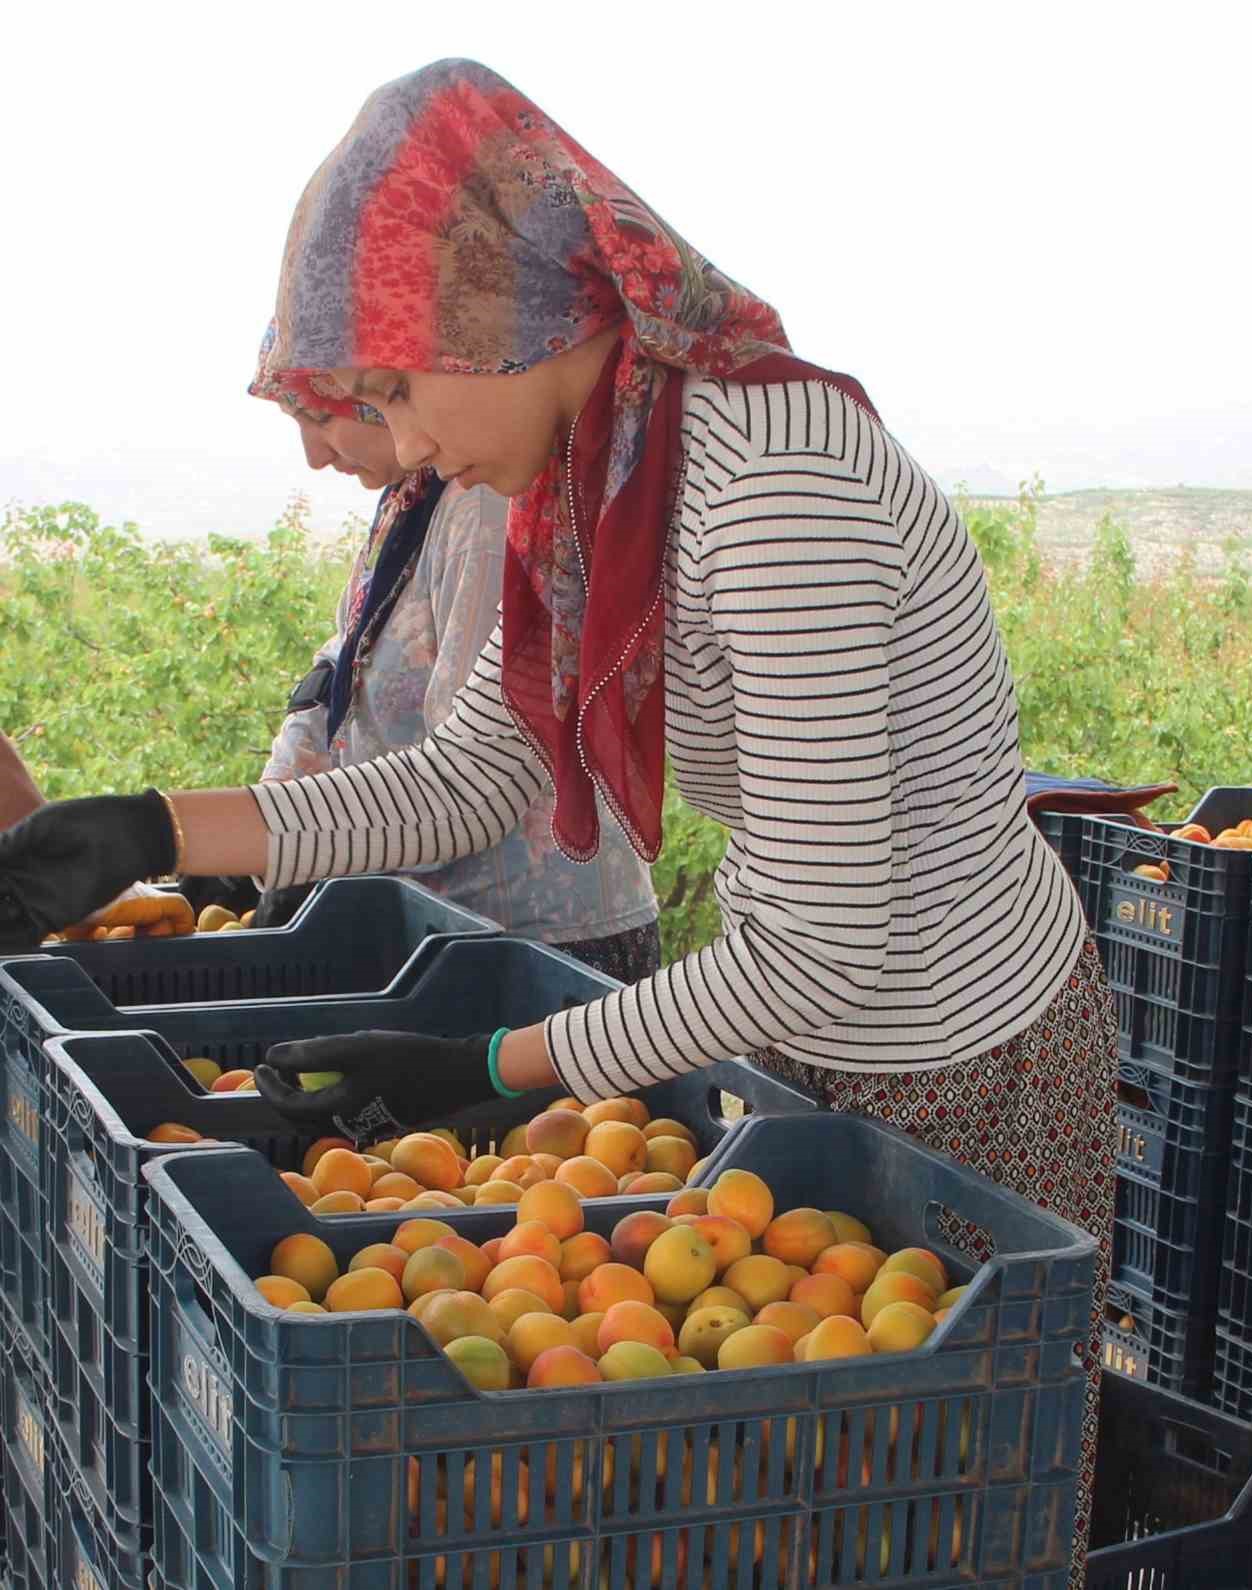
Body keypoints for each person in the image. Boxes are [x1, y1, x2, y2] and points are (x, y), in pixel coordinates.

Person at [0, 60, 1115, 1579]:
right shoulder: (591, 494)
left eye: (394, 384)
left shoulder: (771, 484)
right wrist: (149, 832)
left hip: (957, 1051)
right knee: (771, 1504)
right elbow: (471, 775)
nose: (393, 440)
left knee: (926, 1505)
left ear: (493, 311)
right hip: (801, 1049)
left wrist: (487, 1064)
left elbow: (823, 943)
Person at [248, 341, 660, 976]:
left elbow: (463, 778)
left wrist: (262, 836)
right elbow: (340, 667)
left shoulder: (485, 500)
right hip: (448, 925)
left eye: (322, 417)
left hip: (539, 945)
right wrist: (272, 812)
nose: (315, 454)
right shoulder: (409, 504)